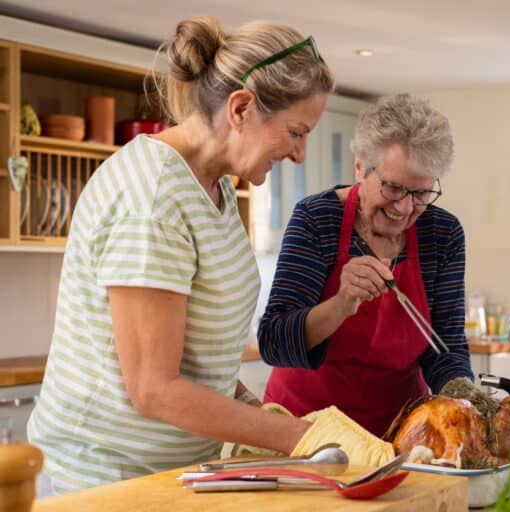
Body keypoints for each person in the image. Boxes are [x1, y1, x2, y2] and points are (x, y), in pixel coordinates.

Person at [27, 17, 391, 495]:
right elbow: (153, 389)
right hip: (103, 481)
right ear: (241, 109)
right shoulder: (152, 200)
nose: (301, 155)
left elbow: (198, 355)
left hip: (172, 473)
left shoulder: (216, 187)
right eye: (297, 132)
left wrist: (254, 408)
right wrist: (302, 437)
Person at [258, 94, 474, 437]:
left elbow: (444, 346)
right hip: (305, 432)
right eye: (393, 188)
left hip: (400, 435)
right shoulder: (316, 220)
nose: (404, 208)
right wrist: (342, 303)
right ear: (360, 167)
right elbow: (274, 342)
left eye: (421, 194)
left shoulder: (442, 234)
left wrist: (464, 399)